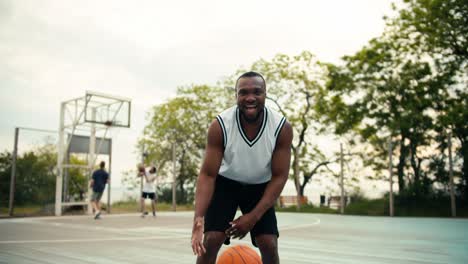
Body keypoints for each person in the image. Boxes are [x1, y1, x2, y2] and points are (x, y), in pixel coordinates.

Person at [191, 71, 293, 264]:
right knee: (211, 239)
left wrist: (253, 217)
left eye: (257, 92)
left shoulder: (281, 127)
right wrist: (199, 219)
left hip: (261, 186)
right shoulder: (221, 125)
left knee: (269, 243)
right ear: (236, 95)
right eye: (243, 92)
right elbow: (208, 174)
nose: (250, 98)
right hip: (226, 184)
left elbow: (279, 177)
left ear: (265, 94)